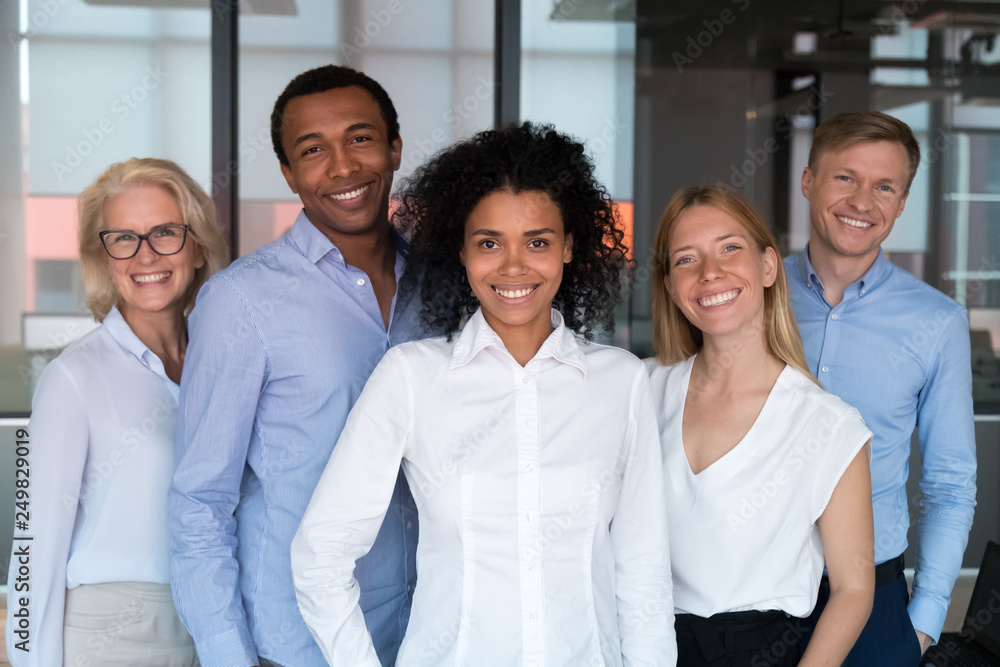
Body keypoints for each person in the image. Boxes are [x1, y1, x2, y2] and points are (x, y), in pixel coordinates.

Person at [291, 122, 675, 666]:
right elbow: (320, 554)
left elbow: (643, 569)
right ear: (462, 251)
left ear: (568, 247)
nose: (513, 267)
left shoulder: (621, 381)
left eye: (537, 242)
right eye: (489, 243)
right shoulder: (411, 377)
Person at [168, 65, 422, 667]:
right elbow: (199, 502)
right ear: (288, 173)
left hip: (428, 635)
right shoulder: (242, 301)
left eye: (360, 138)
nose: (342, 166)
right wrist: (229, 657)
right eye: (313, 150)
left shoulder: (448, 285)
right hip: (297, 643)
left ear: (394, 147)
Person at [6, 158, 228, 666]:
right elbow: (32, 542)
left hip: (212, 622)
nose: (144, 255)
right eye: (123, 238)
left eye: (165, 232)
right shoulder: (72, 378)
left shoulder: (223, 367)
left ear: (197, 247)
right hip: (112, 637)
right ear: (104, 258)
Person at [647, 185, 874, 666]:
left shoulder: (829, 425)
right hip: (645, 643)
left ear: (768, 266)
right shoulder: (641, 392)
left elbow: (854, 590)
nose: (711, 273)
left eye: (730, 248)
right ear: (670, 286)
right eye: (686, 259)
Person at [787, 111, 977, 665]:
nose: (862, 201)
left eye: (884, 186)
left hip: (878, 603)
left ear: (901, 202)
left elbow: (950, 483)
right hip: (753, 597)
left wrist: (923, 620)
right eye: (845, 177)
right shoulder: (753, 297)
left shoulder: (938, 323)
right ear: (809, 182)